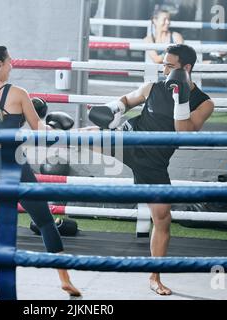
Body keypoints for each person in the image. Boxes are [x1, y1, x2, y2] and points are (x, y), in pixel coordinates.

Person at [88, 44, 214, 295]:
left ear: (186, 68)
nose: (164, 69)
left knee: (163, 219)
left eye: (170, 65)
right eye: (164, 64)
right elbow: (128, 99)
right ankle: (43, 133)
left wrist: (180, 98)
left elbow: (185, 132)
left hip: (153, 163)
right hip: (128, 140)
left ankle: (154, 277)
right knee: (85, 137)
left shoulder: (205, 103)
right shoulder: (153, 87)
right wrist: (114, 108)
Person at [0, 44, 81, 297]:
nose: (12, 65)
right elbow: (39, 132)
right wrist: (56, 129)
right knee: (46, 221)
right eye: (9, 62)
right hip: (13, 163)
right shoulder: (18, 93)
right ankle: (65, 279)